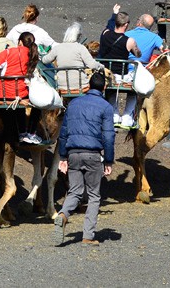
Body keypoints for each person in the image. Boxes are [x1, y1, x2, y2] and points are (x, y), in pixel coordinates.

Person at [54, 70, 115, 246]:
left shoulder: (73, 104)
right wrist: (109, 160)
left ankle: (63, 214)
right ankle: (88, 236)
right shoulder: (105, 107)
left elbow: (63, 133)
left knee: (75, 191)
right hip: (93, 154)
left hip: (73, 153)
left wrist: (63, 156)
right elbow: (109, 136)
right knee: (94, 195)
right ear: (104, 87)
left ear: (88, 86)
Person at [0, 32, 46, 145]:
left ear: (20, 42)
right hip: (21, 97)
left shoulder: (7, 52)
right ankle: (28, 133)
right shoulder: (33, 55)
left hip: (3, 95)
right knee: (30, 104)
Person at [98, 12, 141, 129]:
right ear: (126, 25)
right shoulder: (129, 41)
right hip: (121, 75)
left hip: (107, 74)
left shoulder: (105, 34)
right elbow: (138, 54)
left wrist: (114, 14)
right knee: (134, 88)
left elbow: (108, 26)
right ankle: (127, 116)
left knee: (111, 91)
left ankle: (115, 115)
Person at [41, 23, 105, 93]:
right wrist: (101, 66)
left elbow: (44, 60)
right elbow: (92, 64)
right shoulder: (81, 48)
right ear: (79, 36)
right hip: (81, 86)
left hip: (62, 86)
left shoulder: (58, 48)